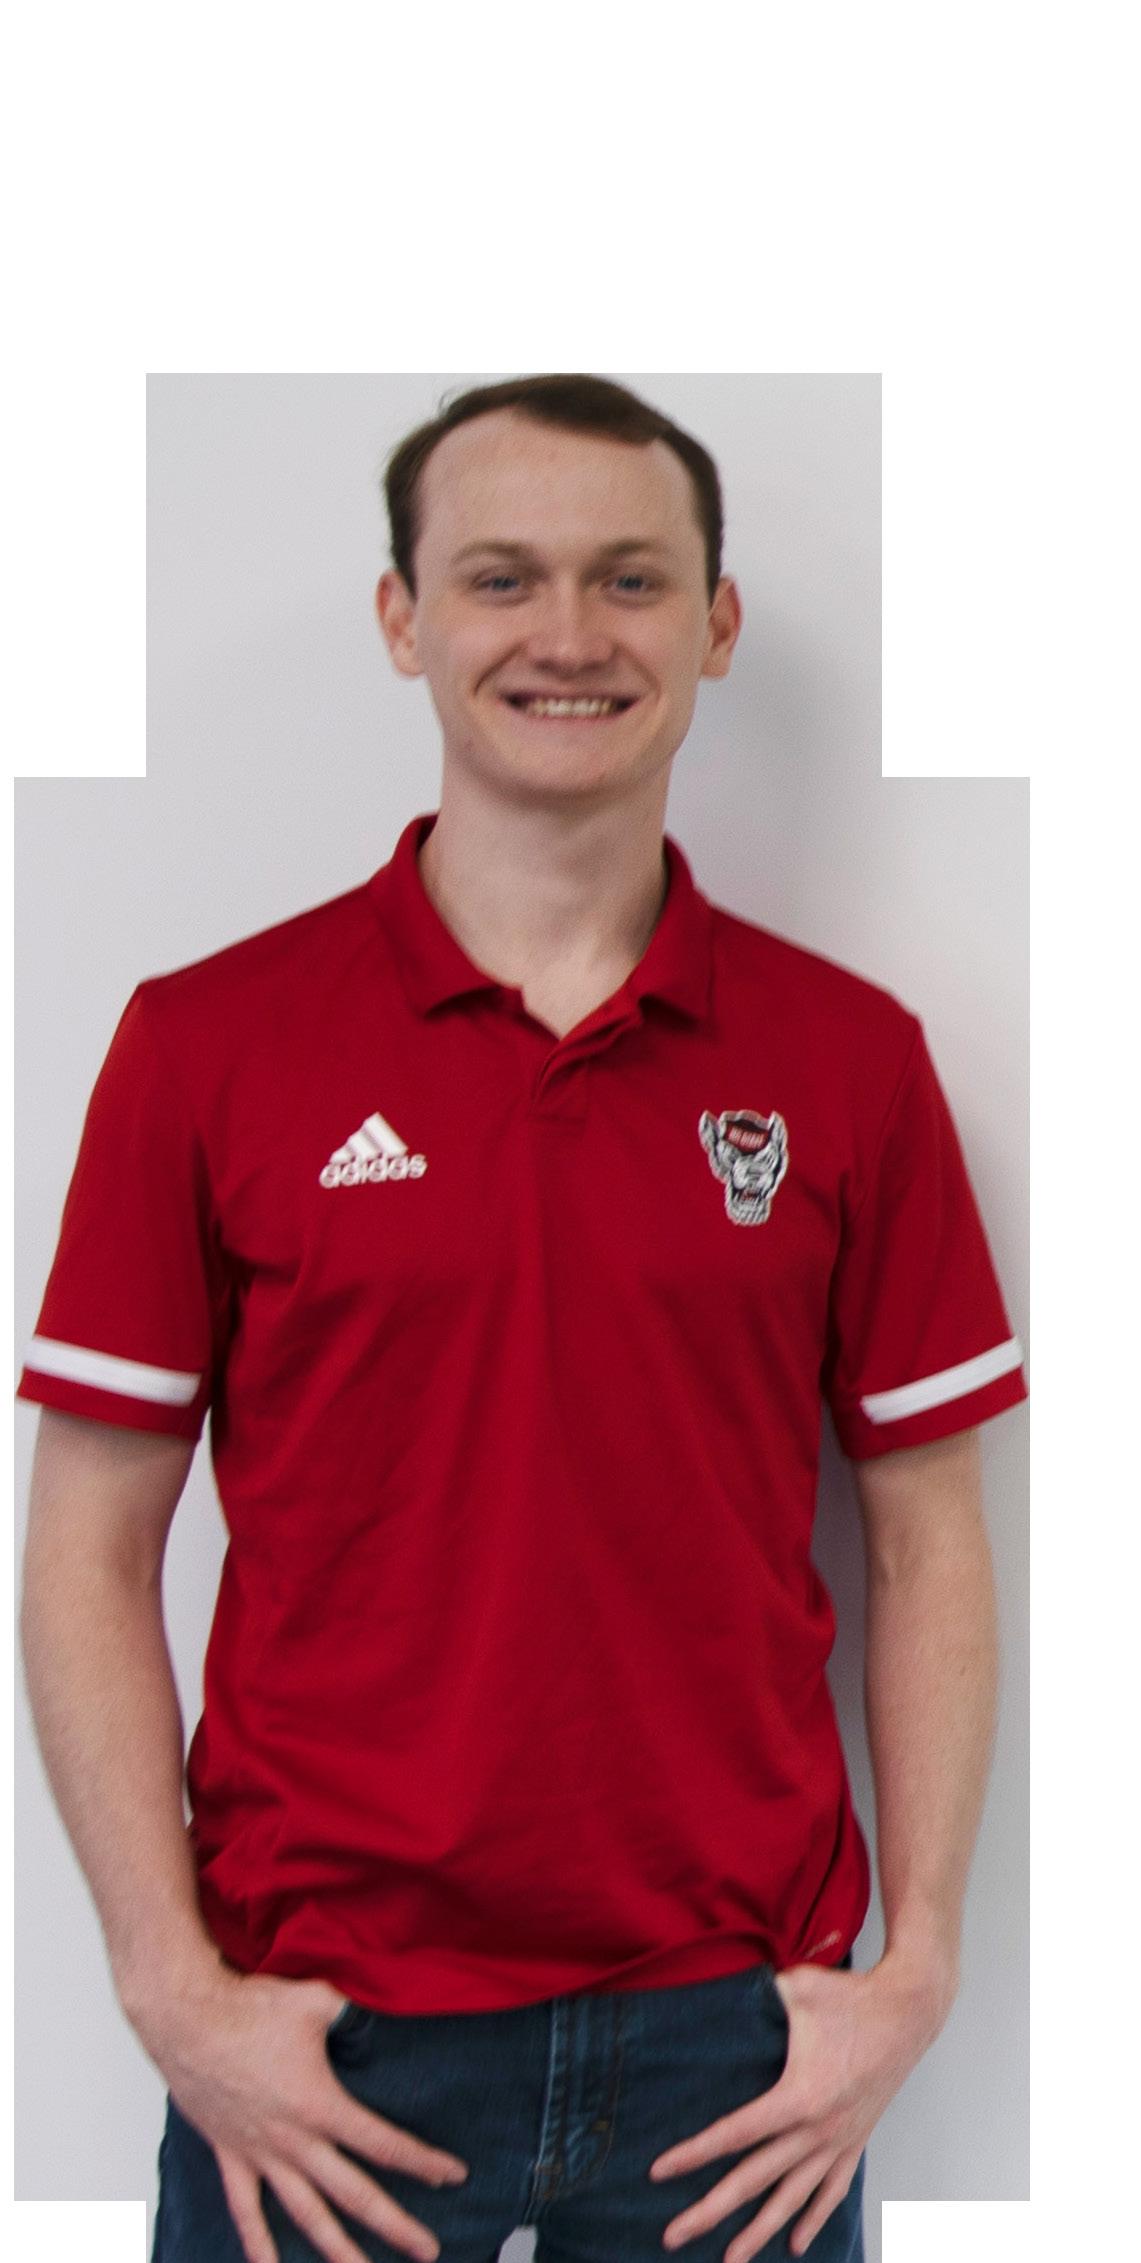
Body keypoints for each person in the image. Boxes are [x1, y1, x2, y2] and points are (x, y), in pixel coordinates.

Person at [18, 373, 1027, 2263]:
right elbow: (86, 1546)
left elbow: (926, 1533)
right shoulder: (205, 1045)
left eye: (630, 579)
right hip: (319, 2041)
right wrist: (168, 1990)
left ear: (714, 624)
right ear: (404, 618)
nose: (568, 634)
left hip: (740, 2054)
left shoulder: (848, 1062)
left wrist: (920, 1969)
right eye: (501, 578)